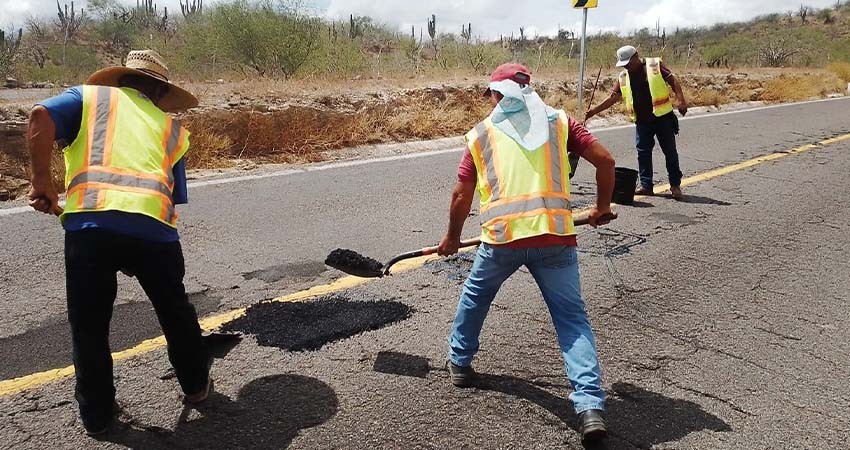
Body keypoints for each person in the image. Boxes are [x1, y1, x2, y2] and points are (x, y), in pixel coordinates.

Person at [27, 50, 212, 436]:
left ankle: (97, 416)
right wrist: (135, 244)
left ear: (120, 81)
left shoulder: (88, 98)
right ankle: (196, 387)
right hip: (154, 232)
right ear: (160, 93)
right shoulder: (172, 128)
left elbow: (39, 116)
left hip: (90, 230)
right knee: (175, 310)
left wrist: (42, 182)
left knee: (89, 325)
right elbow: (171, 195)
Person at [437, 63, 616, 443]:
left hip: (502, 241)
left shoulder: (482, 133)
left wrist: (452, 238)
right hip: (555, 239)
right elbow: (606, 160)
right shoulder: (560, 122)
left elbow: (460, 195)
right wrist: (601, 206)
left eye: (493, 95)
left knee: (475, 296)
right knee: (572, 320)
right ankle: (589, 406)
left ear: (497, 94)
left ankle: (460, 362)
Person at [585, 45, 688, 199]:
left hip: (663, 118)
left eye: (629, 62)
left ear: (636, 57)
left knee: (670, 152)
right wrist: (593, 111)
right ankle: (646, 186)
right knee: (643, 153)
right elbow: (613, 98)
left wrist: (681, 100)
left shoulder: (654, 66)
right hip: (642, 122)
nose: (627, 66)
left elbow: (673, 81)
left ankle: (675, 185)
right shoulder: (623, 77)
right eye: (624, 64)